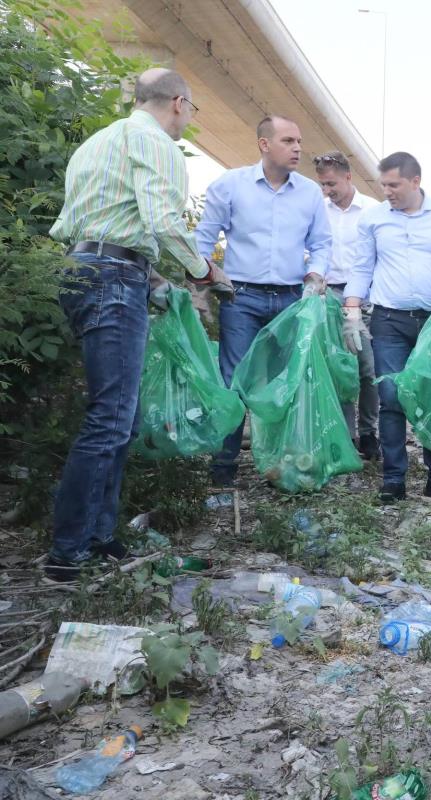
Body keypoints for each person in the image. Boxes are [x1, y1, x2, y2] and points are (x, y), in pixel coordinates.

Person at [45, 68, 232, 580]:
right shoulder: (158, 145)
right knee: (109, 417)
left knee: (119, 418)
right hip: (112, 278)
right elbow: (161, 221)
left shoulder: (98, 142)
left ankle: (100, 536)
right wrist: (203, 271)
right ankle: (68, 553)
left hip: (83, 271)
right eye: (191, 110)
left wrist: (152, 279)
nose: (189, 120)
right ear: (177, 102)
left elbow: (98, 225)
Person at [195, 115, 332, 487]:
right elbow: (204, 237)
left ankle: (283, 469)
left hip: (291, 299)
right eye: (288, 140)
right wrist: (200, 286)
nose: (298, 148)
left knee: (288, 383)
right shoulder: (231, 185)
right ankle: (222, 472)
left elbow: (321, 244)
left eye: (299, 140)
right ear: (264, 144)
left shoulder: (308, 194)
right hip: (241, 298)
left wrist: (315, 275)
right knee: (235, 383)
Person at [341, 152, 431, 503]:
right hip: (389, 320)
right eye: (383, 184)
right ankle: (394, 479)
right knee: (391, 397)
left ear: (415, 181)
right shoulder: (373, 220)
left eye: (394, 185)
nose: (387, 191)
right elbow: (362, 266)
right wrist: (352, 307)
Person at [314, 151, 382, 461]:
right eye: (323, 184)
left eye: (331, 184)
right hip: (329, 295)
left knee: (367, 369)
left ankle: (369, 432)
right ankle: (345, 433)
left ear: (348, 177)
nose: (327, 190)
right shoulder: (320, 210)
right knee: (338, 368)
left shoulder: (372, 210)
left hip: (365, 298)